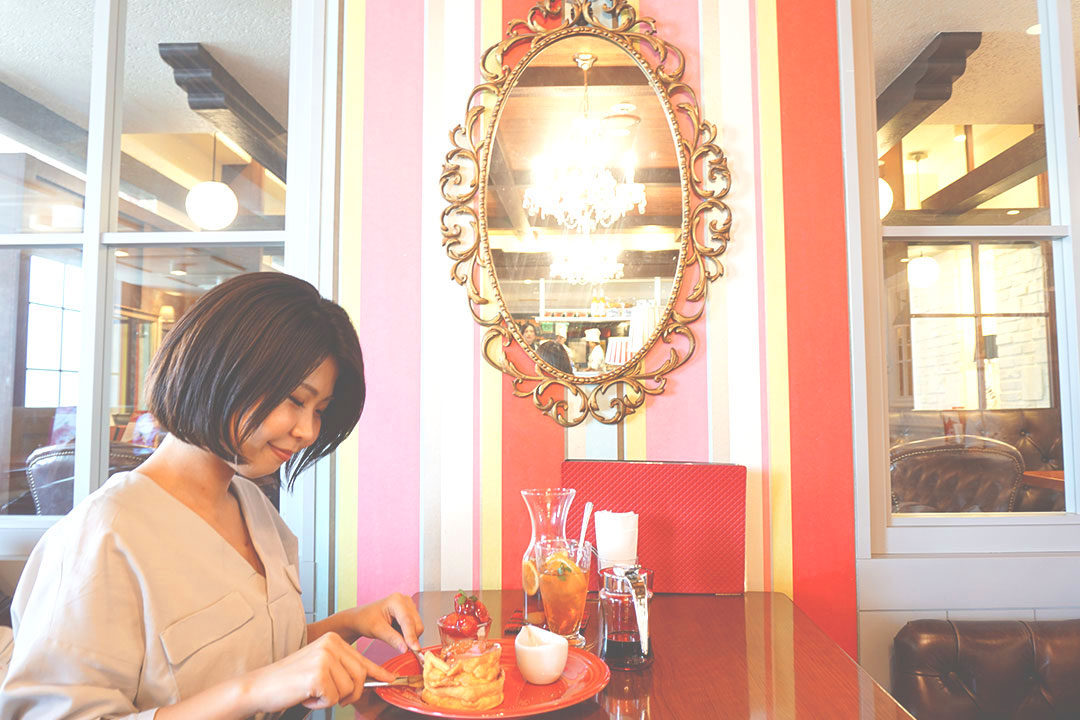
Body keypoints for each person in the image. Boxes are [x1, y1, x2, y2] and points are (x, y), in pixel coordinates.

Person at [0, 273, 422, 719]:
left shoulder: (256, 511)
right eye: (296, 400)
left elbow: (258, 657)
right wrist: (252, 691)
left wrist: (350, 625)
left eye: (319, 410)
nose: (308, 431)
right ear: (224, 372)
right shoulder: (101, 539)